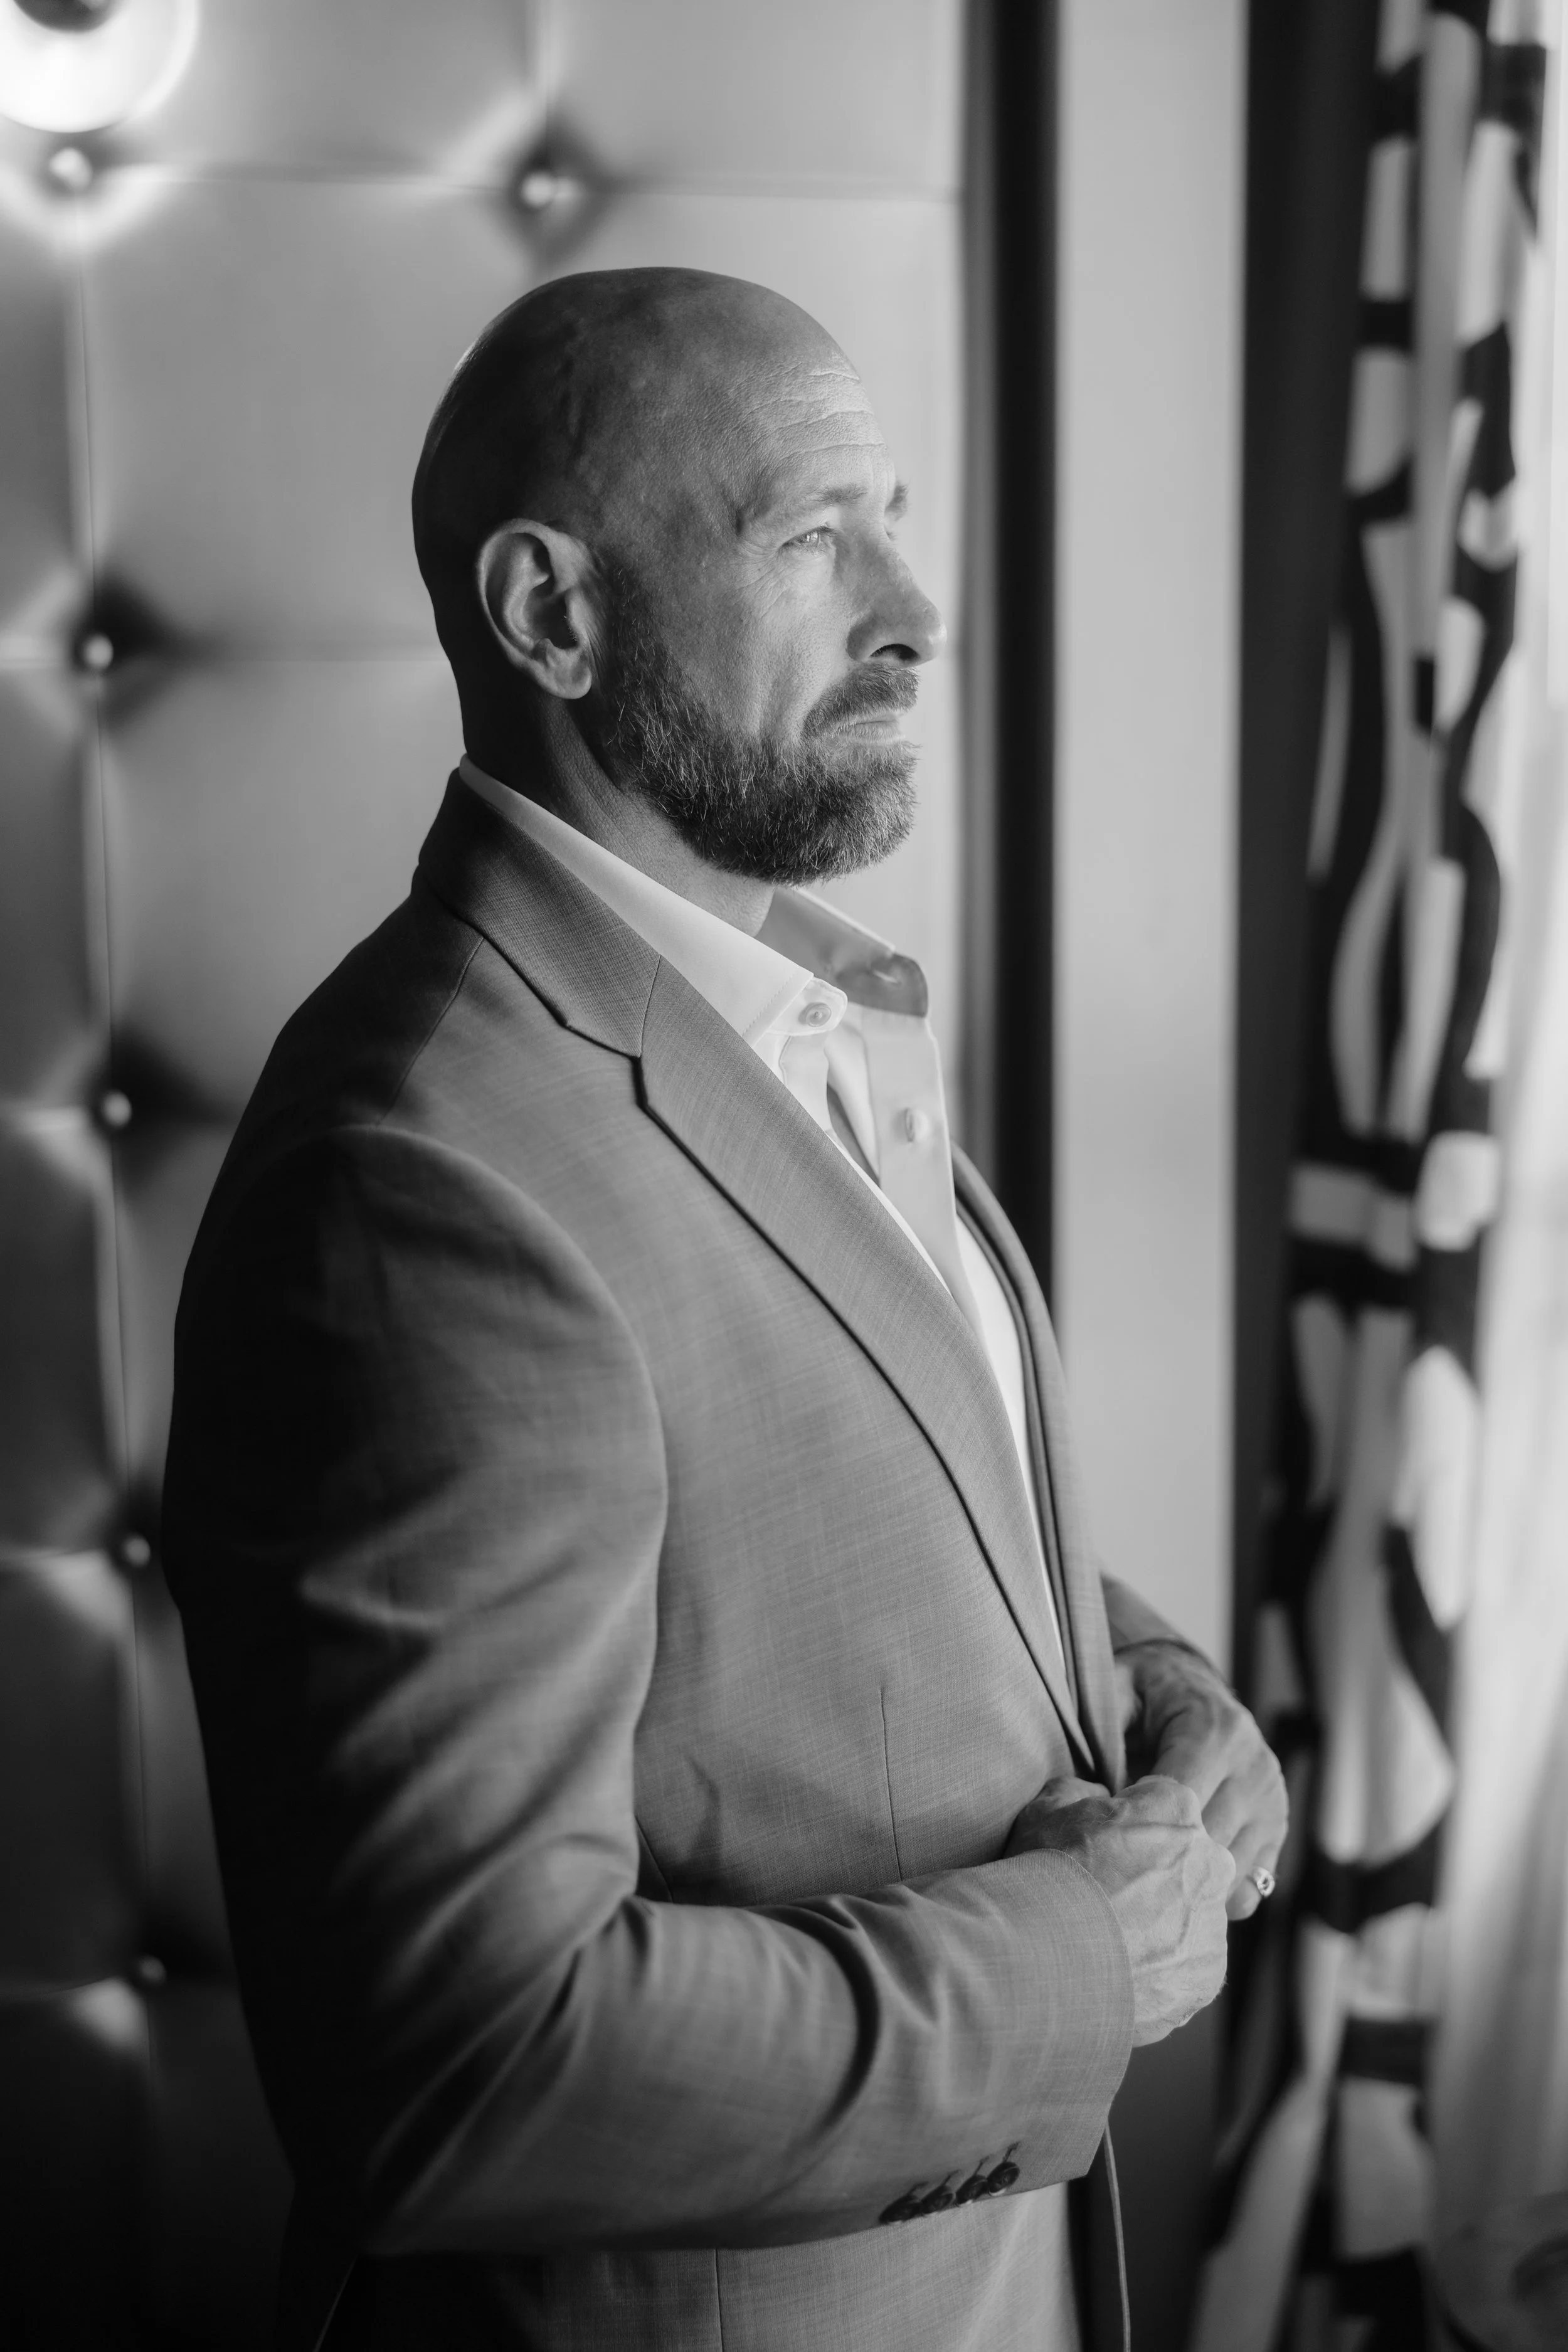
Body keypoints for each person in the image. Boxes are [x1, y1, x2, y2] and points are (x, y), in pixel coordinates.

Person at [163, 268, 1286, 2352]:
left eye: (896, 516)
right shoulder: (422, 1177)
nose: (915, 612)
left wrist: (1154, 1696)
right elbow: (458, 2065)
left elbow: (829, 1521)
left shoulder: (805, 1007)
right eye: (808, 536)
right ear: (552, 614)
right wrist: (1072, 1966)